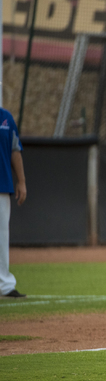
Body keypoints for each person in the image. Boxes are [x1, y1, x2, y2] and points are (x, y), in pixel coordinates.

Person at [0, 108, 27, 298]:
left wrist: (22, 181)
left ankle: (5, 286)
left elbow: (15, 151)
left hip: (2, 185)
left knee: (1, 236)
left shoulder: (6, 118)